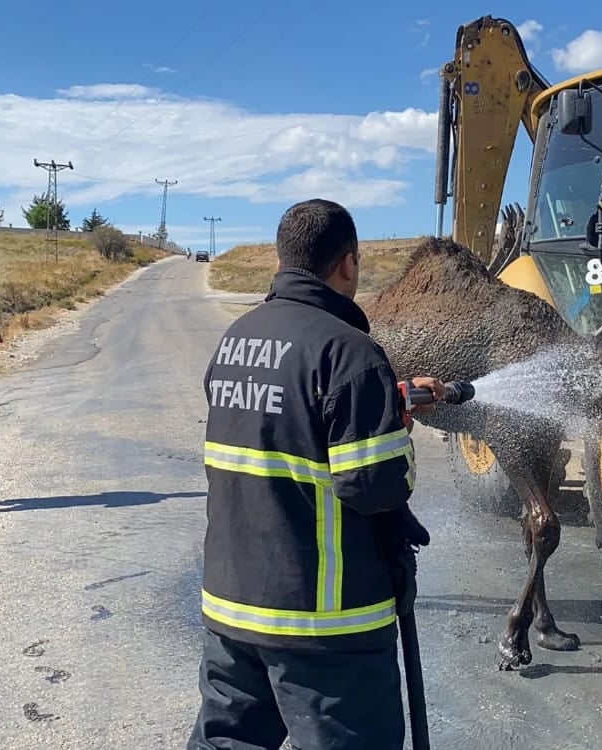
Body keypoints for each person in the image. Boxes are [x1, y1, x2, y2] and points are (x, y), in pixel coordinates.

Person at [187, 198, 444, 750]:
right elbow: (376, 487)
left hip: (233, 608)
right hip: (324, 624)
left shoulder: (236, 341)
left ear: (282, 261)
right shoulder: (352, 355)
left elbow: (288, 423)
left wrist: (381, 407)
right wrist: (395, 429)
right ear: (347, 264)